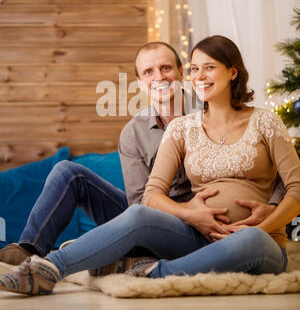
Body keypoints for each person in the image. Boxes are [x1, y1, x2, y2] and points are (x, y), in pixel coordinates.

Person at [0, 35, 295, 296]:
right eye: (149, 72)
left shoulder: (257, 118)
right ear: (141, 82)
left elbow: (286, 180)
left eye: (167, 68)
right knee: (116, 199)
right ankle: (41, 264)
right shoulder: (166, 129)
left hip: (246, 236)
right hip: (177, 227)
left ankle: (146, 270)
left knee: (252, 240)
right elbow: (145, 199)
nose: (160, 77)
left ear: (181, 73)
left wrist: (269, 211)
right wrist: (190, 214)